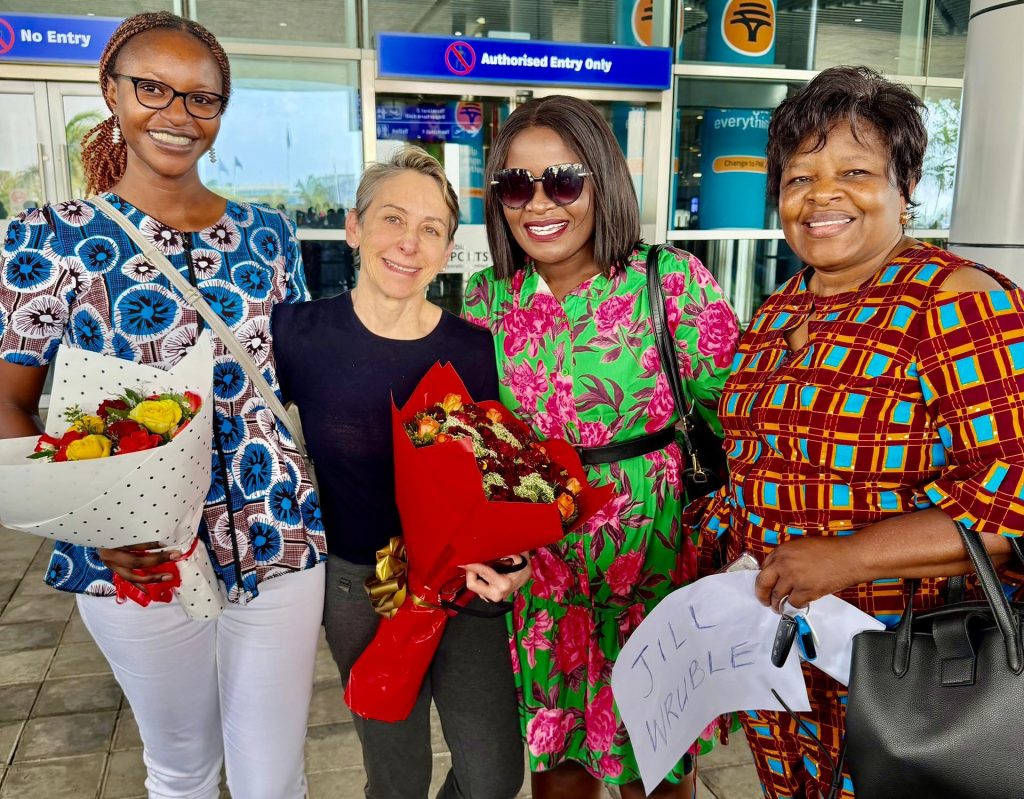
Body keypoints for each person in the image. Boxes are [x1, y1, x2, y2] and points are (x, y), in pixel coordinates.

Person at [0, 13, 326, 799]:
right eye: (154, 88)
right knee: (182, 769)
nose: (179, 114)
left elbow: (301, 376)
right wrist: (93, 525)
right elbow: (7, 403)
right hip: (136, 557)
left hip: (276, 532)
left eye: (203, 98)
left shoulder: (269, 234)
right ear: (111, 92)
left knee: (273, 778)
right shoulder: (49, 237)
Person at [690, 65, 1024, 799]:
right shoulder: (779, 310)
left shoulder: (959, 301)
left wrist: (848, 557)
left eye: (856, 171)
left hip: (915, 668)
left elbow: (1015, 497)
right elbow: (759, 467)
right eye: (799, 177)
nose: (822, 195)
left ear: (906, 189)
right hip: (785, 662)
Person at [462, 95, 740, 799]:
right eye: (516, 185)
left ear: (603, 181)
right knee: (558, 776)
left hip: (655, 574)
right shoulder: (485, 297)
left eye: (562, 179)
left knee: (660, 774)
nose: (538, 204)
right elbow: (477, 446)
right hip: (544, 584)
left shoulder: (667, 280)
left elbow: (745, 420)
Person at [272, 146, 528, 799]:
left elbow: (502, 473)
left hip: (462, 583)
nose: (409, 243)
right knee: (397, 776)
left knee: (493, 776)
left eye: (431, 229)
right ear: (354, 228)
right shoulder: (296, 334)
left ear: (447, 249)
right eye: (391, 219)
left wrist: (517, 553)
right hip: (360, 587)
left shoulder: (475, 350)